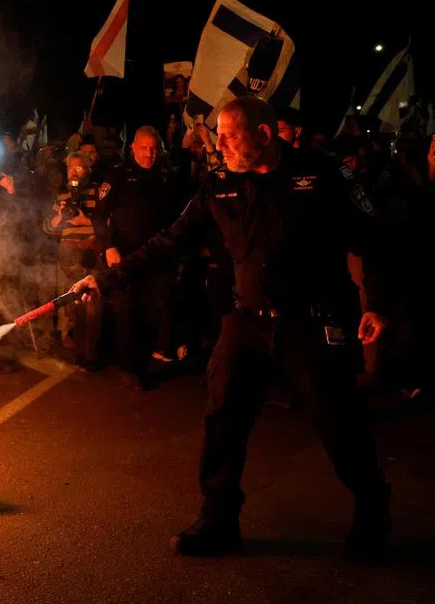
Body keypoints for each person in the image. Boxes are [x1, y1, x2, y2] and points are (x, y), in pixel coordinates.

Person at [70, 97, 391, 558]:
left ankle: (372, 511)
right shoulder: (218, 183)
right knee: (223, 421)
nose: (217, 145)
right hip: (247, 324)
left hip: (313, 322)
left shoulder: (322, 175)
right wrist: (105, 278)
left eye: (229, 135)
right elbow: (170, 241)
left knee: (339, 423)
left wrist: (375, 304)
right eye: (218, 135)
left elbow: (372, 240)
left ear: (263, 135)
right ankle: (218, 520)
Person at [93, 126, 186, 387]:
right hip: (125, 257)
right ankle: (128, 365)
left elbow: (179, 217)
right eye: (144, 147)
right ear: (132, 147)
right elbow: (99, 217)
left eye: (154, 148)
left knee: (152, 311)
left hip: (157, 257)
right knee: (127, 310)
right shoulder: (117, 176)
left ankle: (140, 366)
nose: (149, 153)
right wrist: (108, 246)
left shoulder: (167, 176)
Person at [37, 151, 102, 367]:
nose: (73, 172)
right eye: (69, 168)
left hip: (90, 254)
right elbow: (48, 228)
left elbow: (106, 226)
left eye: (78, 167)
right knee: (70, 303)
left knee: (91, 304)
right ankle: (73, 345)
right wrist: (59, 217)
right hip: (68, 255)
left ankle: (91, 352)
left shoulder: (97, 193)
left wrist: (87, 222)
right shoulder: (62, 197)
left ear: (88, 169)